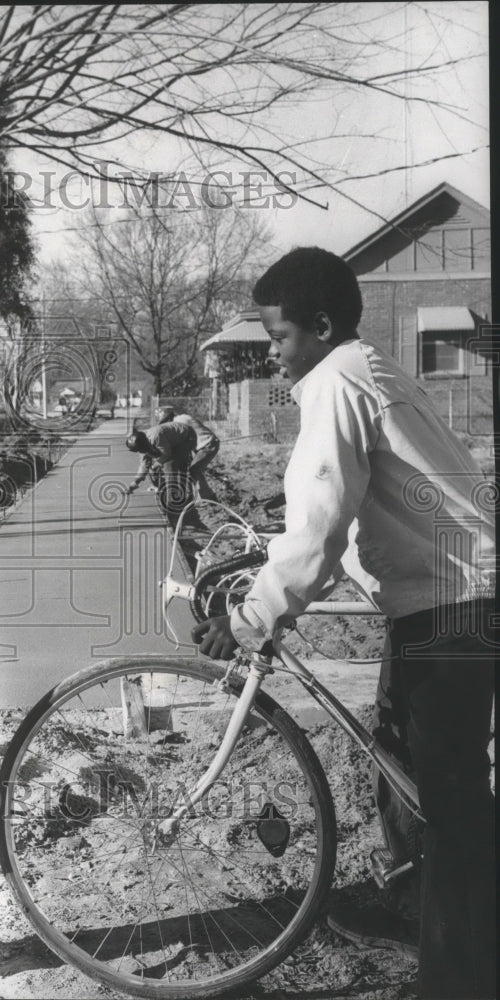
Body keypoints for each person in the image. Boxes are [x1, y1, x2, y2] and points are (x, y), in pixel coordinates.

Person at [192, 247, 496, 1000]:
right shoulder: (365, 367)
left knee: (451, 798)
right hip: (445, 596)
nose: (271, 353)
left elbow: (321, 526)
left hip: (452, 609)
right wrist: (274, 565)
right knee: (401, 758)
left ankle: (460, 979)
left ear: (321, 328)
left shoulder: (334, 381)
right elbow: (345, 509)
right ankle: (414, 907)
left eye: (280, 337)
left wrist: (255, 613)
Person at [124, 420, 197, 524]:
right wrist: (135, 482)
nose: (140, 452)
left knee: (170, 465)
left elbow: (166, 454)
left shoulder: (155, 436)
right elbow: (144, 464)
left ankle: (174, 503)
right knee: (159, 467)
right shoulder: (142, 444)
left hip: (186, 436)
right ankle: (173, 495)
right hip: (171, 440)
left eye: (141, 450)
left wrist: (157, 464)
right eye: (138, 451)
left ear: (144, 444)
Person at [156, 406, 220, 501]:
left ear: (168, 416)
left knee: (194, 471)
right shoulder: (180, 419)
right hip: (202, 445)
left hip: (208, 444)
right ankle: (208, 497)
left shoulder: (179, 421)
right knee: (195, 470)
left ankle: (192, 498)